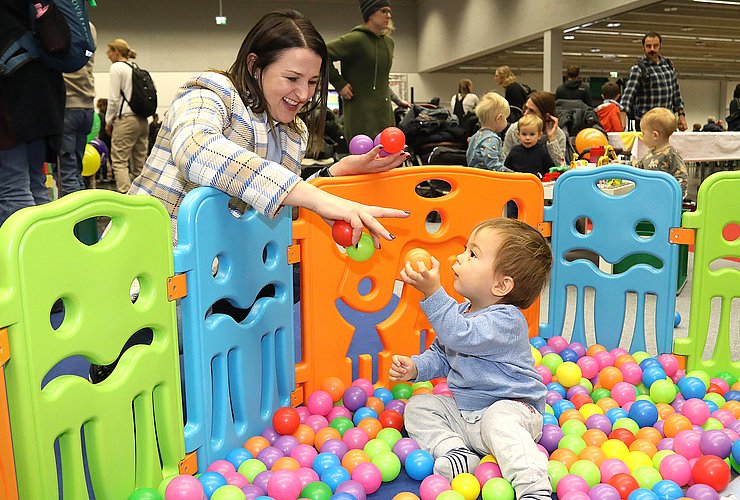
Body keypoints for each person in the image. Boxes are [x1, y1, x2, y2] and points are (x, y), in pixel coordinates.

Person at [128, 9, 410, 248]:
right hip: (152, 266)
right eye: (291, 78)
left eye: (312, 82)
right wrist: (315, 197)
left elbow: (275, 200)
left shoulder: (293, 131)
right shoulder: (210, 91)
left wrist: (337, 171)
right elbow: (195, 151)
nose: (303, 94)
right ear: (254, 66)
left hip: (220, 279)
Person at [390, 217, 551, 499]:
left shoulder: (507, 320)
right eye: (466, 249)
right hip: (467, 415)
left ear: (501, 286)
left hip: (513, 410)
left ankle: (534, 487)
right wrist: (416, 367)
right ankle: (457, 452)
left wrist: (432, 292)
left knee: (498, 420)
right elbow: (443, 354)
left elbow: (457, 336)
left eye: (472, 254)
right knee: (419, 405)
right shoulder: (464, 312)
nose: (459, 258)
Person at [0, 0, 68, 226]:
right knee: (36, 183)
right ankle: (45, 256)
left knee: (13, 186)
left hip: (11, 93)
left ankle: (21, 260)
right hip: (45, 90)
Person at [326, 0, 407, 141]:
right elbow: (322, 54)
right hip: (360, 116)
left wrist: (398, 102)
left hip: (385, 115)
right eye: (383, 11)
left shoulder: (389, 43)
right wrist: (339, 84)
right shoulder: (355, 40)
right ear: (370, 14)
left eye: (389, 12)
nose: (388, 16)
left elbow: (382, 81)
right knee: (362, 158)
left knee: (388, 158)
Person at [620, 32, 688, 132]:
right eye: (648, 46)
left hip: (667, 122)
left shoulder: (668, 66)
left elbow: (676, 94)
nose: (652, 49)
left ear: (660, 46)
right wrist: (622, 117)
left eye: (655, 46)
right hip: (647, 124)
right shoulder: (638, 68)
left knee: (669, 148)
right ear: (643, 47)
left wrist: (681, 115)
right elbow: (627, 96)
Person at [105, 38, 149, 194]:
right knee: (140, 164)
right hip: (143, 121)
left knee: (119, 161)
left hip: (126, 120)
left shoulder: (117, 67)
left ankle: (125, 197)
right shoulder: (136, 67)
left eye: (109, 51)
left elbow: (114, 99)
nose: (108, 55)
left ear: (117, 52)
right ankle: (142, 197)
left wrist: (108, 120)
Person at [58, 22, 97, 196]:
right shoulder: (89, 27)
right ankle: (84, 220)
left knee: (66, 173)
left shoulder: (59, 21)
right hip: (87, 106)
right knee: (77, 171)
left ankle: (71, 221)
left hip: (68, 104)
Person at [634, 107, 688, 199]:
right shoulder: (649, 154)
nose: (642, 137)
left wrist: (676, 199)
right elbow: (637, 168)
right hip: (649, 198)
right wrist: (622, 165)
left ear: (655, 135)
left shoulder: (671, 155)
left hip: (665, 200)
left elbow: (682, 179)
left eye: (643, 133)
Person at [503, 91, 565, 165]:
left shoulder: (558, 134)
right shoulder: (514, 130)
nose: (525, 113)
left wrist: (552, 140)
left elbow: (560, 167)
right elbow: (504, 163)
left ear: (546, 116)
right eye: (525, 108)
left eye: (532, 111)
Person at [466, 92, 510, 171]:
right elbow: (493, 165)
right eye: (506, 118)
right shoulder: (491, 139)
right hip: (487, 179)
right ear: (499, 118)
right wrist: (511, 173)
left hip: (474, 176)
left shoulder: (475, 136)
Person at [96, 98, 111, 180]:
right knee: (111, 157)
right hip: (110, 137)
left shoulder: (99, 116)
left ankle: (101, 176)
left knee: (102, 157)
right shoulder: (109, 116)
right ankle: (110, 176)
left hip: (102, 139)